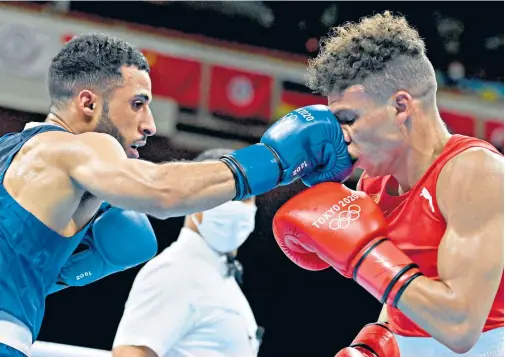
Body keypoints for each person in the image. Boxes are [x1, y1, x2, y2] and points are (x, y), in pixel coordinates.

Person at [0, 32, 354, 357]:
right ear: (88, 104)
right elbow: (161, 191)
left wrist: (50, 273)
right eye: (137, 103)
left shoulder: (12, 152)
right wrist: (273, 161)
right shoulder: (76, 148)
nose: (150, 125)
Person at [271, 11, 504, 357]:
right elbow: (406, 296)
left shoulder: (476, 173)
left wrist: (365, 256)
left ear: (400, 106)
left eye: (349, 119)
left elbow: (459, 327)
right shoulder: (373, 185)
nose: (342, 137)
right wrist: (376, 342)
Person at [112, 148, 264, 357]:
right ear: (195, 198)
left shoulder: (218, 275)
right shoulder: (174, 271)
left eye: (245, 196)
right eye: (226, 195)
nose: (236, 205)